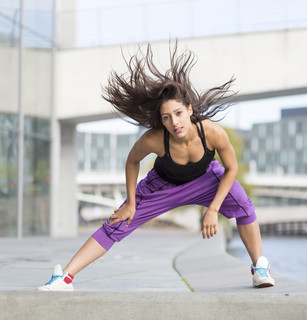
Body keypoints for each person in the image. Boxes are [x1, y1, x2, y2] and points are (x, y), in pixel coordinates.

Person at [37, 42, 275, 291]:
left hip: (206, 180)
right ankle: (64, 278)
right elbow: (132, 161)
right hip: (161, 186)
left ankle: (260, 267)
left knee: (244, 206)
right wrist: (130, 202)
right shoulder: (154, 138)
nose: (175, 122)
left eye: (179, 113)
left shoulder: (213, 133)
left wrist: (214, 209)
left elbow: (231, 169)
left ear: (189, 110)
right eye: (166, 117)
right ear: (161, 120)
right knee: (117, 224)